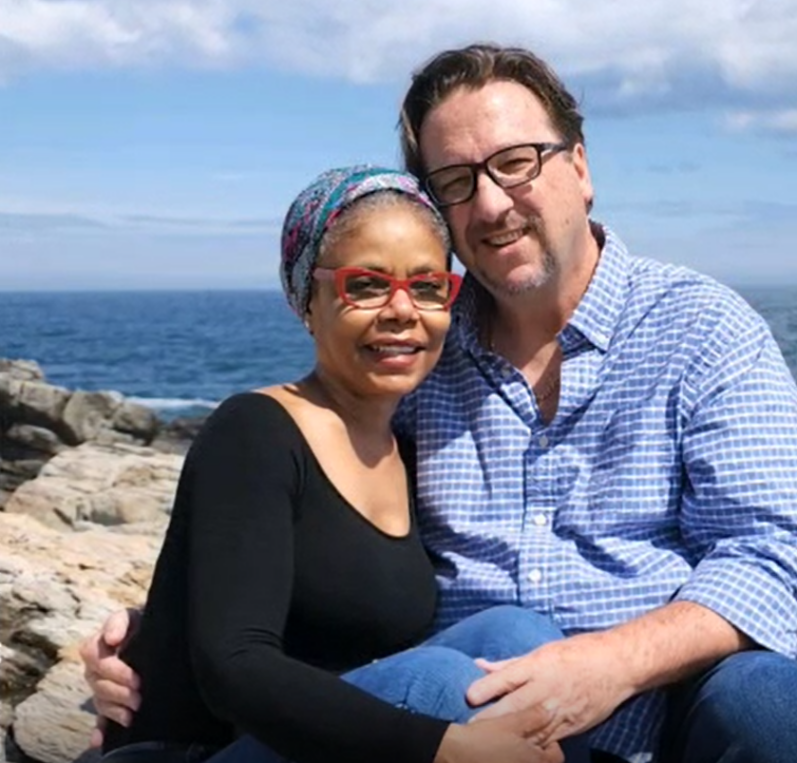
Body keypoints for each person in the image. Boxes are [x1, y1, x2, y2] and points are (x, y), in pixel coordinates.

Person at [84, 45, 797, 762]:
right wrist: (163, 636)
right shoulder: (417, 355)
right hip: (471, 707)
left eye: (518, 162)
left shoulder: (700, 328)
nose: (494, 203)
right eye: (459, 182)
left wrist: (610, 662)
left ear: (581, 166)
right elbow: (304, 510)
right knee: (474, 657)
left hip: (672, 701)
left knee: (775, 709)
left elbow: (787, 553)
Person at [95, 164, 590, 763]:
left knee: (520, 639)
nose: (403, 310)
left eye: (428, 286)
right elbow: (235, 663)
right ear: (309, 298)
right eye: (367, 285)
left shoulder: (408, 447)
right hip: (193, 752)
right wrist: (447, 748)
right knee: (431, 681)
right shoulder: (254, 432)